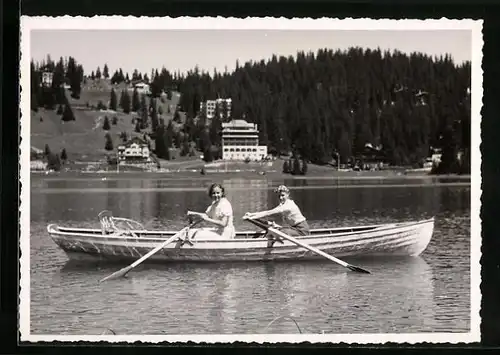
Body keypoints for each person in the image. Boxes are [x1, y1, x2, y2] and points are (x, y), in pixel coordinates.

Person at [244, 185, 310, 236]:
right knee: (274, 227)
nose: (280, 198)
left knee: (278, 231)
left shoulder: (288, 205)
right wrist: (251, 214)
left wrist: (251, 218)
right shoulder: (283, 204)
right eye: (279, 196)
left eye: (283, 195)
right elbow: (267, 211)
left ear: (288, 194)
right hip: (294, 228)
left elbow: (268, 213)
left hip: (302, 231)